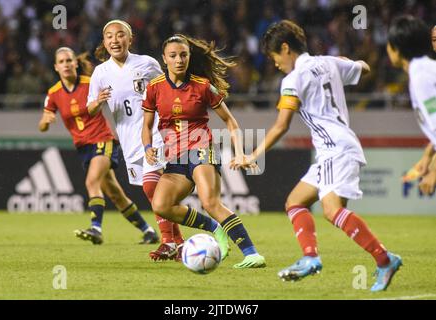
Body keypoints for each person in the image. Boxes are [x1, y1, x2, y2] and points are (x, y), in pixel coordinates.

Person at [233, 20, 401, 289]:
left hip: (335, 148)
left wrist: (253, 155)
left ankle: (384, 259)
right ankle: (310, 257)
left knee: (332, 211)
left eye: (275, 56)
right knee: (295, 202)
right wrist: (342, 61)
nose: (275, 63)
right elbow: (364, 68)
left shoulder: (292, 79)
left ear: (286, 48)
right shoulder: (329, 63)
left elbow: (281, 125)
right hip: (333, 150)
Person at [142, 34, 266, 269]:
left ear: (189, 57)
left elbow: (231, 122)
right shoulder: (154, 88)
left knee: (210, 202)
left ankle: (251, 253)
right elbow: (146, 127)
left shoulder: (202, 86)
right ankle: (213, 228)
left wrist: (239, 152)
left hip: (201, 150)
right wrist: (148, 148)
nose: (179, 60)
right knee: (161, 206)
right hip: (174, 158)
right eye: (173, 56)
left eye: (183, 55)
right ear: (164, 59)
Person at [39, 47, 159, 245]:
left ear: (76, 63)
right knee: (115, 194)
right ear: (56, 67)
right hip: (83, 147)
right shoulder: (53, 93)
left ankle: (95, 228)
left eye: (69, 60)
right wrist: (46, 119)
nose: (66, 64)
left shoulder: (90, 82)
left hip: (103, 140)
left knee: (91, 182)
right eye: (62, 62)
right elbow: (42, 127)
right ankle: (148, 231)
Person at [87, 20, 185, 261]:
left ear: (130, 40)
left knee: (153, 186)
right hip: (129, 140)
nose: (114, 40)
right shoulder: (100, 72)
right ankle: (178, 242)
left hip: (154, 133)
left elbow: (168, 87)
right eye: (109, 36)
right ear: (104, 42)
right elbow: (89, 109)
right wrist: (98, 101)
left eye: (120, 35)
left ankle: (168, 242)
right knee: (154, 195)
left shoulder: (147, 64)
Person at [388, 16, 436, 195]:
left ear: (397, 49)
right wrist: (427, 156)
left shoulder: (421, 75)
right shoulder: (423, 70)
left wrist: (434, 172)